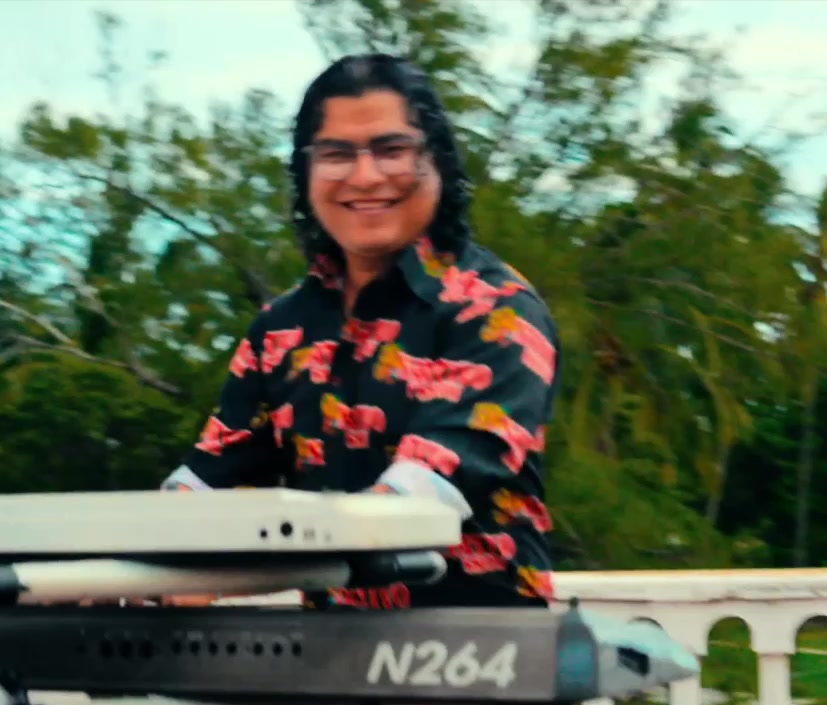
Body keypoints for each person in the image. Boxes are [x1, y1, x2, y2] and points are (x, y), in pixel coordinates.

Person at [160, 53, 561, 617]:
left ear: (438, 161)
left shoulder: (496, 310)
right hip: (328, 655)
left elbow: (420, 495)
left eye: (392, 150)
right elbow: (206, 485)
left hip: (483, 655)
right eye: (336, 155)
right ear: (305, 173)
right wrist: (131, 558)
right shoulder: (280, 330)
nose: (366, 177)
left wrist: (231, 570)